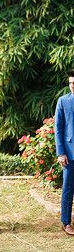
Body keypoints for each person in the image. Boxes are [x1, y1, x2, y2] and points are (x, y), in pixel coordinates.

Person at [55, 70, 74, 235]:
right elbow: (58, 129)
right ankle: (66, 222)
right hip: (69, 154)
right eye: (70, 83)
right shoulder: (63, 101)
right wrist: (61, 153)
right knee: (68, 189)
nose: (72, 86)